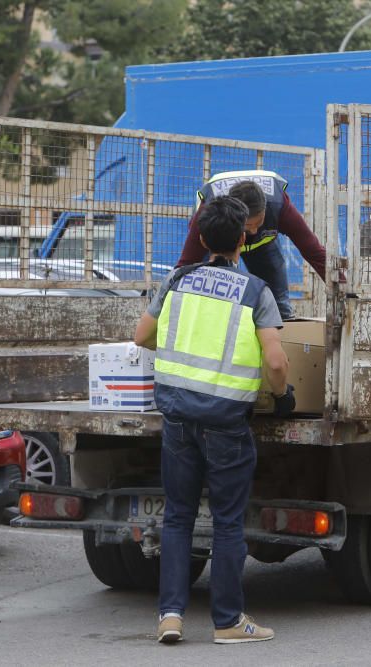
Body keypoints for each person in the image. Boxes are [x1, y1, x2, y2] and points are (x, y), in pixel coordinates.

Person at [135, 196, 296, 645]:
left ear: (202, 239)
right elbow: (278, 362)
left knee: (177, 518)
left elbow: (141, 335)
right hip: (227, 423)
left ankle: (170, 615)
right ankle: (227, 622)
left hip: (179, 420)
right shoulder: (255, 292)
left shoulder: (177, 280)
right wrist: (281, 397)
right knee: (226, 522)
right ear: (243, 240)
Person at [175, 170, 327, 320]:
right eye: (248, 226)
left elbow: (313, 251)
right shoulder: (210, 215)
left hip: (262, 248)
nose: (253, 231)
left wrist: (345, 289)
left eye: (259, 223)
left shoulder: (280, 207)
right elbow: (186, 264)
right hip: (220, 237)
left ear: (265, 209)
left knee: (278, 305)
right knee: (215, 296)